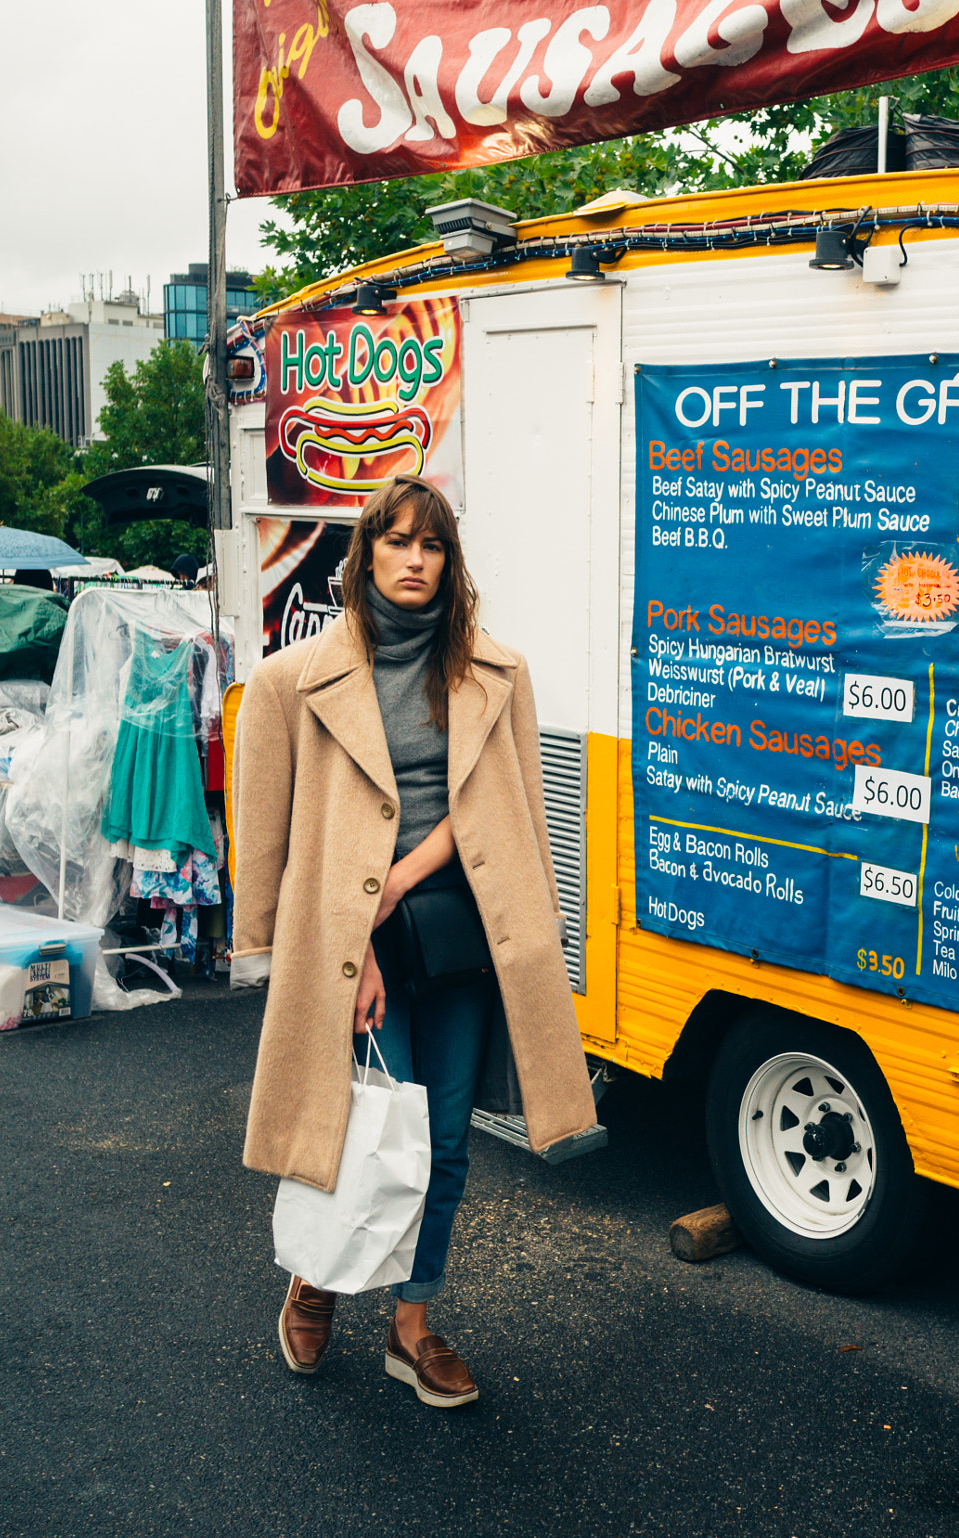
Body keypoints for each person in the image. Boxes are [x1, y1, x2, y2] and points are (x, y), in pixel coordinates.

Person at [232, 474, 596, 1410]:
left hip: (467, 935)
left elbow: (506, 809)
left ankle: (412, 1327)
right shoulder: (291, 682)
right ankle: (314, 1282)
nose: (415, 561)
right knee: (357, 1130)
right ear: (366, 556)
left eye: (431, 546)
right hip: (362, 946)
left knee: (442, 1143)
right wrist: (321, 950)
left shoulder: (496, 672)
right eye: (396, 543)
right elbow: (264, 826)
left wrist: (402, 875)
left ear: (450, 561)